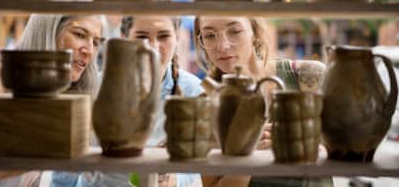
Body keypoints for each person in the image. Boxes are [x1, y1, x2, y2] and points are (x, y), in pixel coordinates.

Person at [0, 0, 134, 187]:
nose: (89, 50)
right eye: (79, 35)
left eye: (96, 42)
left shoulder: (75, 100)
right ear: (49, 30)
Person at [194, 16, 333, 187]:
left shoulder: (307, 76)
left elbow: (347, 154)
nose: (222, 46)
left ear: (256, 33)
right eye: (209, 35)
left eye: (235, 31)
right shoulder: (205, 104)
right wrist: (248, 159)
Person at [120, 13, 204, 187]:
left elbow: (198, 161)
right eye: (142, 36)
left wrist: (175, 180)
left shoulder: (194, 90)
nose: (153, 46)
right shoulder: (100, 89)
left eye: (164, 36)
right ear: (124, 39)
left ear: (177, 38)